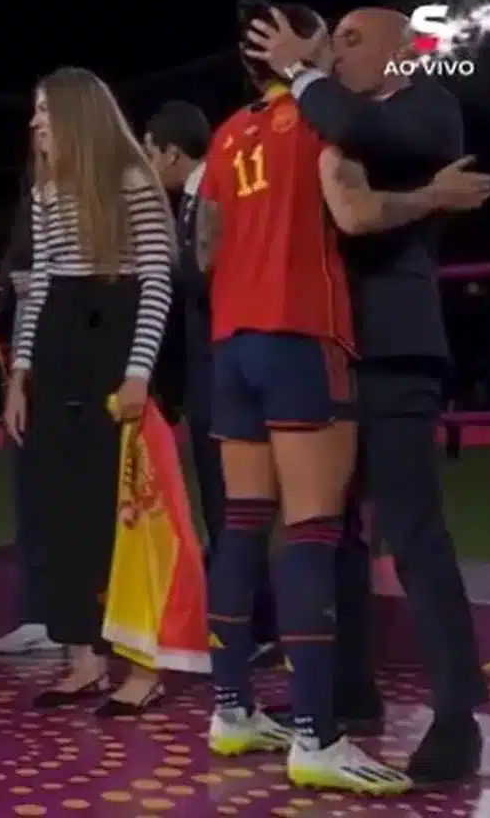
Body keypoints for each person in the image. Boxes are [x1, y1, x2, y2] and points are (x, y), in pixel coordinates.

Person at [245, 6, 490, 785]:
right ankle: (351, 692)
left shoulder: (424, 108)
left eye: (352, 40)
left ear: (400, 54)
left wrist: (303, 67)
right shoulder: (334, 122)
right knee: (332, 534)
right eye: (334, 40)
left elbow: (365, 131)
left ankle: (458, 718)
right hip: (325, 349)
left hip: (394, 350)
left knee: (413, 536)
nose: (335, 52)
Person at [199, 0, 414, 794]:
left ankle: (232, 709)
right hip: (302, 332)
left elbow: (206, 246)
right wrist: (429, 200)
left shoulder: (228, 134)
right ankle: (319, 738)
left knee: (244, 525)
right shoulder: (322, 120)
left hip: (232, 342)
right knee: (316, 533)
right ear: (301, 47)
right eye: (331, 37)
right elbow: (353, 212)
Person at [4, 67, 175, 714]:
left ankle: (141, 664)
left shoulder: (132, 181)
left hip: (111, 340)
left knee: (119, 509)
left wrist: (137, 372)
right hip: (57, 345)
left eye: (44, 111)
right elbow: (40, 280)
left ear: (77, 115)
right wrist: (22, 374)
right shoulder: (49, 190)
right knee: (60, 507)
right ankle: (83, 658)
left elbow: (155, 282)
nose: (35, 123)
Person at [144, 100, 280, 667]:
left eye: (150, 154)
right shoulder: (194, 198)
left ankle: (253, 627)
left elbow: (204, 276)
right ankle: (246, 624)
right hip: (208, 373)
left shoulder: (213, 192)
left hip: (225, 368)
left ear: (172, 152)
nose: (149, 167)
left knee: (233, 506)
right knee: (224, 505)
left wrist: (151, 267)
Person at [0, 177, 59, 655]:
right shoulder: (36, 197)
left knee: (77, 497)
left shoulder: (109, 191)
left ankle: (74, 615)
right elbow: (17, 271)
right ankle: (40, 612)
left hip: (79, 361)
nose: (37, 127)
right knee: (30, 487)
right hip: (31, 362)